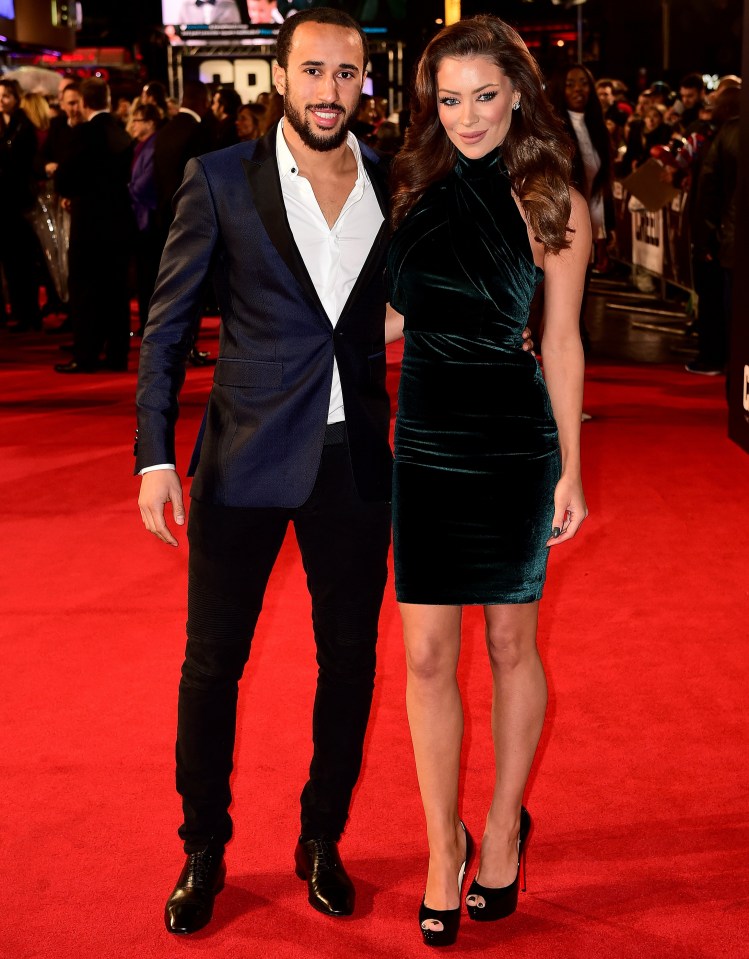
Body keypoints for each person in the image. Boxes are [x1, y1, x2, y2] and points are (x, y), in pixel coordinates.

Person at [136, 6, 394, 936]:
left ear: (366, 79)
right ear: (280, 76)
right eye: (314, 71)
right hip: (242, 457)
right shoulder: (218, 182)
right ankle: (202, 845)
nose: (331, 90)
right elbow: (166, 328)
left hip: (354, 459)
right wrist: (156, 453)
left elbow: (377, 314)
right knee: (212, 665)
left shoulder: (387, 180)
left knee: (351, 662)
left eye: (347, 72)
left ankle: (321, 835)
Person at [387, 15, 589, 947]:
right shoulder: (416, 189)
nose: (465, 116)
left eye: (483, 96)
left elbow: (558, 338)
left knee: (511, 645)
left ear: (517, 94)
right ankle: (442, 843)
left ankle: (503, 824)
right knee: (426, 655)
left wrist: (569, 468)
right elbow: (391, 318)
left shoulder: (553, 201)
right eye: (449, 99)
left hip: (508, 441)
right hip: (423, 435)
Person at [54, 78, 134, 373]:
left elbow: (65, 177)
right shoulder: (120, 131)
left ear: (85, 103)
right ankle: (117, 354)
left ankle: (86, 354)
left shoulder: (85, 133)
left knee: (85, 289)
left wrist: (69, 191)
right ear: (108, 100)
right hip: (119, 221)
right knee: (116, 290)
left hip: (89, 223)